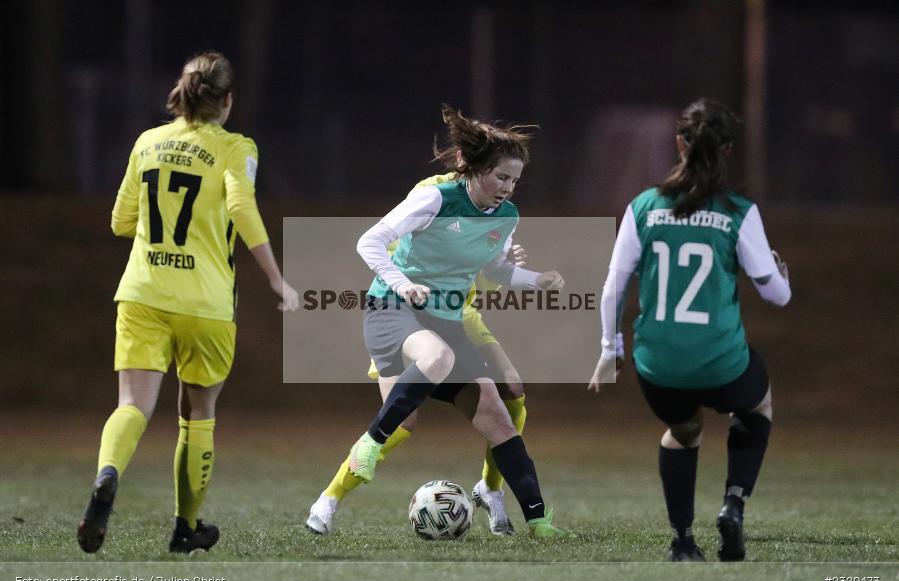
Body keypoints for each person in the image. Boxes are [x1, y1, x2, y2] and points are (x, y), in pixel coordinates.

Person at [310, 104, 570, 538]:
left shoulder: (507, 216)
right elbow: (369, 241)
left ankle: (540, 523)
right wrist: (403, 284)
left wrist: (534, 278)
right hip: (393, 310)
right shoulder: (435, 197)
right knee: (435, 362)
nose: (507, 188)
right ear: (474, 169)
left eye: (514, 180)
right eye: (501, 177)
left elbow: (496, 270)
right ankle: (352, 469)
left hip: (446, 317)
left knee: (498, 416)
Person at [76, 51, 299, 554]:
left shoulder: (148, 142)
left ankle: (107, 474)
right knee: (198, 412)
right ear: (227, 100)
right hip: (206, 302)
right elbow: (242, 207)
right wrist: (276, 278)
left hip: (143, 293)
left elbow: (119, 222)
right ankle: (185, 527)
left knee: (132, 405)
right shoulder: (235, 146)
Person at [588, 98, 791, 562]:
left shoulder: (645, 206)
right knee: (757, 405)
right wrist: (781, 274)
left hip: (657, 366)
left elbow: (612, 288)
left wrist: (608, 349)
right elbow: (776, 296)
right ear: (726, 151)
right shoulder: (738, 211)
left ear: (679, 143)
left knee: (682, 430)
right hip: (720, 362)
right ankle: (733, 504)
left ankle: (683, 541)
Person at [306, 172, 530, 536]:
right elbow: (397, 251)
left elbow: (485, 271)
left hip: (460, 313)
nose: (504, 181)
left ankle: (491, 488)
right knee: (401, 422)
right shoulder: (433, 193)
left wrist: (508, 264)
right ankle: (329, 498)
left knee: (512, 387)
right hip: (409, 309)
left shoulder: (499, 205)